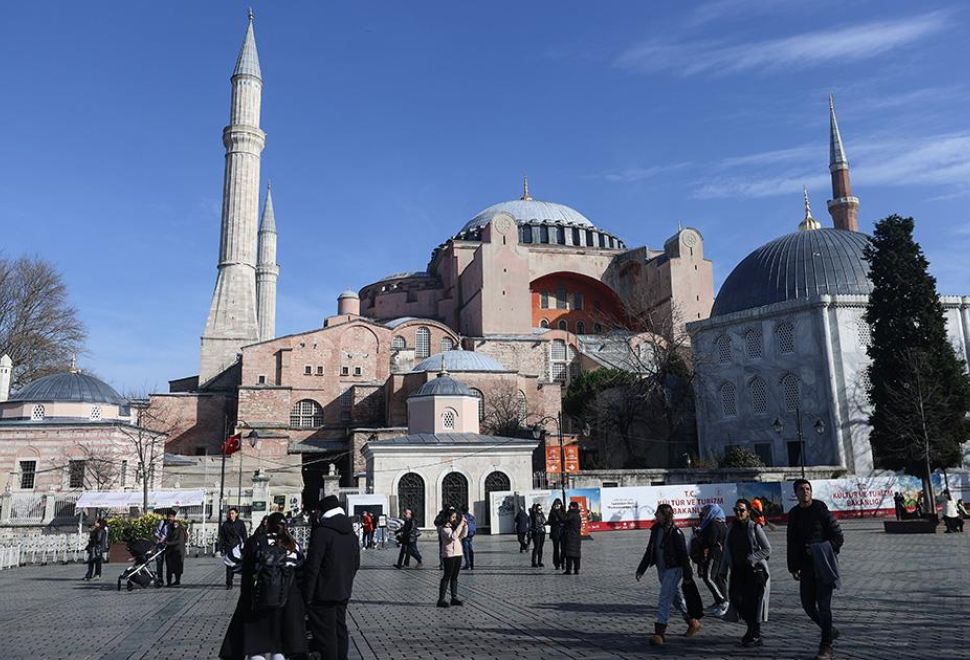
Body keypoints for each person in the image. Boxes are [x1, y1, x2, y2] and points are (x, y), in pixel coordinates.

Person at [220, 512, 307, 660]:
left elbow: (229, 560)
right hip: (284, 603)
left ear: (268, 525)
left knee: (256, 648)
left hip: (257, 600)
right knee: (279, 648)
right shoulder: (293, 545)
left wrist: (248, 571)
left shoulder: (255, 541)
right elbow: (301, 568)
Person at [787, 479, 844, 660]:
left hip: (822, 565)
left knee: (824, 606)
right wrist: (793, 567)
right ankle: (829, 630)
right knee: (808, 605)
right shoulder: (794, 514)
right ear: (795, 494)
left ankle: (826, 645)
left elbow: (838, 537)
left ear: (811, 491)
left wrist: (822, 549)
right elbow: (791, 542)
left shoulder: (821, 511)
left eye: (807, 488)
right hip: (805, 567)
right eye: (801, 489)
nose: (805, 492)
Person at [635, 503, 702, 645]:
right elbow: (650, 550)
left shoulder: (676, 533)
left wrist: (688, 575)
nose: (655, 516)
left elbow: (684, 555)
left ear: (665, 515)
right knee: (676, 599)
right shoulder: (655, 530)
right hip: (662, 569)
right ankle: (692, 621)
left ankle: (659, 633)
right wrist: (641, 569)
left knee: (664, 598)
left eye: (657, 513)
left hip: (674, 569)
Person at [304, 495, 360, 660]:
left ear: (322, 512)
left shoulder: (322, 532)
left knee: (325, 636)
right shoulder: (351, 533)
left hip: (323, 593)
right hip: (343, 590)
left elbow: (313, 567)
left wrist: (307, 596)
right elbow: (356, 563)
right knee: (339, 629)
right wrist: (345, 580)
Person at [720, 499, 771, 648]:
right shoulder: (730, 528)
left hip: (754, 572)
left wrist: (752, 558)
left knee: (754, 604)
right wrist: (723, 570)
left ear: (748, 512)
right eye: (736, 510)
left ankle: (755, 633)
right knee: (737, 601)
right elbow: (726, 550)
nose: (738, 513)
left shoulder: (754, 527)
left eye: (741, 510)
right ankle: (752, 630)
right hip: (736, 571)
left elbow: (767, 549)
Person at [693, 503, 728, 617]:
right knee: (717, 577)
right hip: (720, 554)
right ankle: (719, 601)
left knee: (708, 577)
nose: (704, 515)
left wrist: (698, 536)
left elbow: (710, 542)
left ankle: (722, 601)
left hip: (713, 554)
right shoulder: (722, 523)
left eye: (706, 512)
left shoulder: (713, 524)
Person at [436, 508, 468, 607]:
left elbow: (462, 536)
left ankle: (454, 598)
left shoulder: (454, 527)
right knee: (447, 576)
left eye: (455, 517)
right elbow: (453, 537)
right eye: (452, 517)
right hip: (449, 555)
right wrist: (460, 525)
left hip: (458, 553)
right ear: (448, 517)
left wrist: (465, 526)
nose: (454, 519)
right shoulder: (444, 528)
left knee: (455, 577)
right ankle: (441, 599)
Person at [219, 507, 249, 589]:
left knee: (238, 565)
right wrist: (221, 548)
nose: (231, 515)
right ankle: (229, 583)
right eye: (229, 513)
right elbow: (222, 537)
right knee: (229, 566)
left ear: (236, 514)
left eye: (232, 513)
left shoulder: (240, 523)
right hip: (228, 547)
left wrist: (246, 546)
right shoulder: (225, 525)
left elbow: (244, 535)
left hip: (238, 548)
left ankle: (242, 581)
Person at [165, 511, 188, 586]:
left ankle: (177, 580)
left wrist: (168, 543)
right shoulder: (169, 527)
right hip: (170, 551)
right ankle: (169, 582)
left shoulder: (180, 529)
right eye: (169, 517)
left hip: (178, 550)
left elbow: (180, 540)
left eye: (171, 517)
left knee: (178, 567)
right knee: (169, 567)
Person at [153, 509, 174, 586]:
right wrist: (160, 538)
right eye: (169, 517)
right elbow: (156, 533)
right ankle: (160, 579)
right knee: (159, 563)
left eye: (172, 517)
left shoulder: (175, 524)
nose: (170, 518)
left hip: (169, 546)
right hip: (161, 545)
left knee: (169, 564)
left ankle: (169, 581)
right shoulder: (163, 522)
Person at [561, 501, 582, 575]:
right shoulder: (578, 514)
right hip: (577, 536)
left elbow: (564, 519)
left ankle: (568, 569)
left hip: (570, 536)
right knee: (576, 554)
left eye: (570, 506)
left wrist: (561, 512)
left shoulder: (571, 514)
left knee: (569, 554)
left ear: (573, 507)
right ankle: (576, 569)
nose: (568, 507)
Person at [547, 498, 566, 570]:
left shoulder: (563, 511)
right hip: (555, 532)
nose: (558, 506)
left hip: (562, 532)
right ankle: (556, 564)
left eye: (559, 504)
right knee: (556, 549)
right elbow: (550, 521)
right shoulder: (552, 512)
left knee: (563, 549)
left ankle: (563, 563)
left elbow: (563, 519)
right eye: (556, 504)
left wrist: (558, 511)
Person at [529, 503, 547, 568]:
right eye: (539, 509)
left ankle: (539, 562)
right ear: (536, 509)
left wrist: (544, 524)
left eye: (541, 508)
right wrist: (534, 530)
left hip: (542, 532)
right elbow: (530, 525)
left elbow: (544, 521)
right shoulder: (533, 515)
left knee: (541, 547)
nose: (540, 510)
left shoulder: (542, 514)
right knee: (536, 547)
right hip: (536, 532)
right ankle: (533, 562)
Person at [461, 505, 476, 570]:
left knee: (466, 550)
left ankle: (468, 564)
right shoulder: (471, 516)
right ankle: (472, 564)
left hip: (465, 535)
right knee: (470, 549)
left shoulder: (463, 517)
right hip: (471, 534)